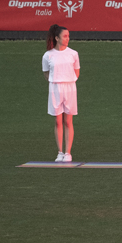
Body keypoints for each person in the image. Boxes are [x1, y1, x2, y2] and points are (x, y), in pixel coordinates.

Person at [42, 23, 80, 163]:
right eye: (64, 36)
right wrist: (55, 81)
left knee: (68, 121)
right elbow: (46, 73)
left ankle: (68, 153)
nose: (67, 39)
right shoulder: (48, 55)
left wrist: (68, 81)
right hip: (55, 89)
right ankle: (60, 152)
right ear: (57, 38)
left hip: (70, 88)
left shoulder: (73, 54)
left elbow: (77, 72)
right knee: (58, 121)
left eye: (68, 36)